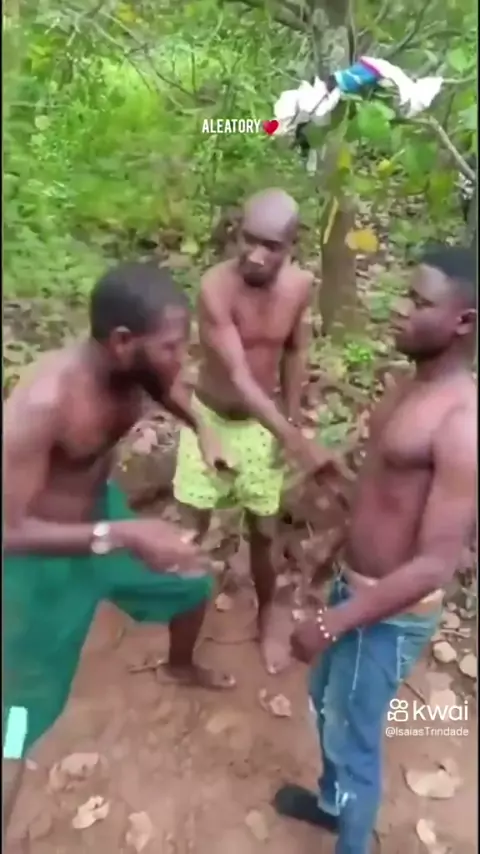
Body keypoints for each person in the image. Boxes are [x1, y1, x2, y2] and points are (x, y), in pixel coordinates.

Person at [3, 261, 235, 823]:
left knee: (192, 582)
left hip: (104, 522)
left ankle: (180, 666)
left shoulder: (137, 369)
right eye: (171, 347)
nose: (181, 360)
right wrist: (127, 533)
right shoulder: (44, 404)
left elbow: (168, 387)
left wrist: (204, 428)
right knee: (17, 718)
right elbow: (8, 531)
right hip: (39, 564)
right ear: (122, 342)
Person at [273, 245, 477, 854]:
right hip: (355, 590)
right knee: (324, 704)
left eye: (419, 303)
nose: (399, 309)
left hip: (386, 617)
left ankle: (351, 839)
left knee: (354, 740)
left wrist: (331, 624)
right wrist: (334, 547)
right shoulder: (409, 385)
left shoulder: (461, 423)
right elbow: (383, 493)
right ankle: (331, 804)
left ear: (463, 322)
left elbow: (435, 564)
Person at [173, 188, 333, 674]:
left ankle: (267, 616)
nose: (256, 255)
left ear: (292, 246)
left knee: (264, 532)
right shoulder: (215, 288)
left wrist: (294, 417)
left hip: (264, 430)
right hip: (209, 422)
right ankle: (180, 653)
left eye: (271, 246)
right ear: (236, 232)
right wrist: (294, 438)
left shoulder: (300, 286)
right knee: (191, 535)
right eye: (248, 239)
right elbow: (239, 377)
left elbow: (295, 350)